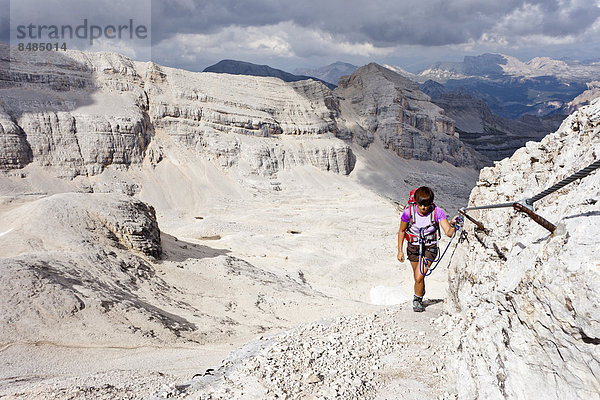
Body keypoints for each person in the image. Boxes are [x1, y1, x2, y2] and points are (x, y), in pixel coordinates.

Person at [397, 186, 459, 312]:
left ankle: (417, 299)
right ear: (416, 202)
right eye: (420, 205)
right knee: (417, 277)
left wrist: (453, 224)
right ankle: (420, 292)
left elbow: (449, 232)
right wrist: (400, 251)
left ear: (431, 203)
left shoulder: (438, 212)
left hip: (430, 247)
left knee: (419, 276)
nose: (423, 208)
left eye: (426, 205)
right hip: (413, 247)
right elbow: (402, 231)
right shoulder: (408, 212)